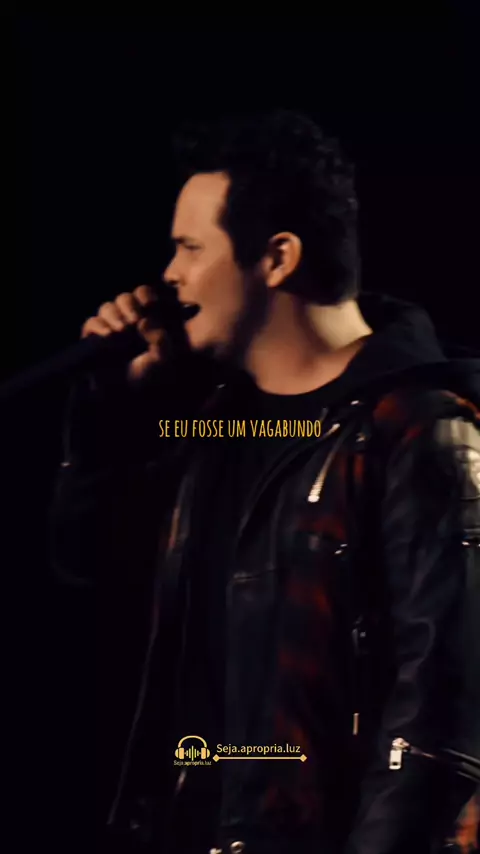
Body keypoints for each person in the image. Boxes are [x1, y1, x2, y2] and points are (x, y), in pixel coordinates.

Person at [50, 109, 480, 853]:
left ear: (277, 258)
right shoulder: (215, 426)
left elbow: (440, 722)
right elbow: (88, 561)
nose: (170, 275)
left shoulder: (422, 429)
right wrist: (114, 413)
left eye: (190, 248)